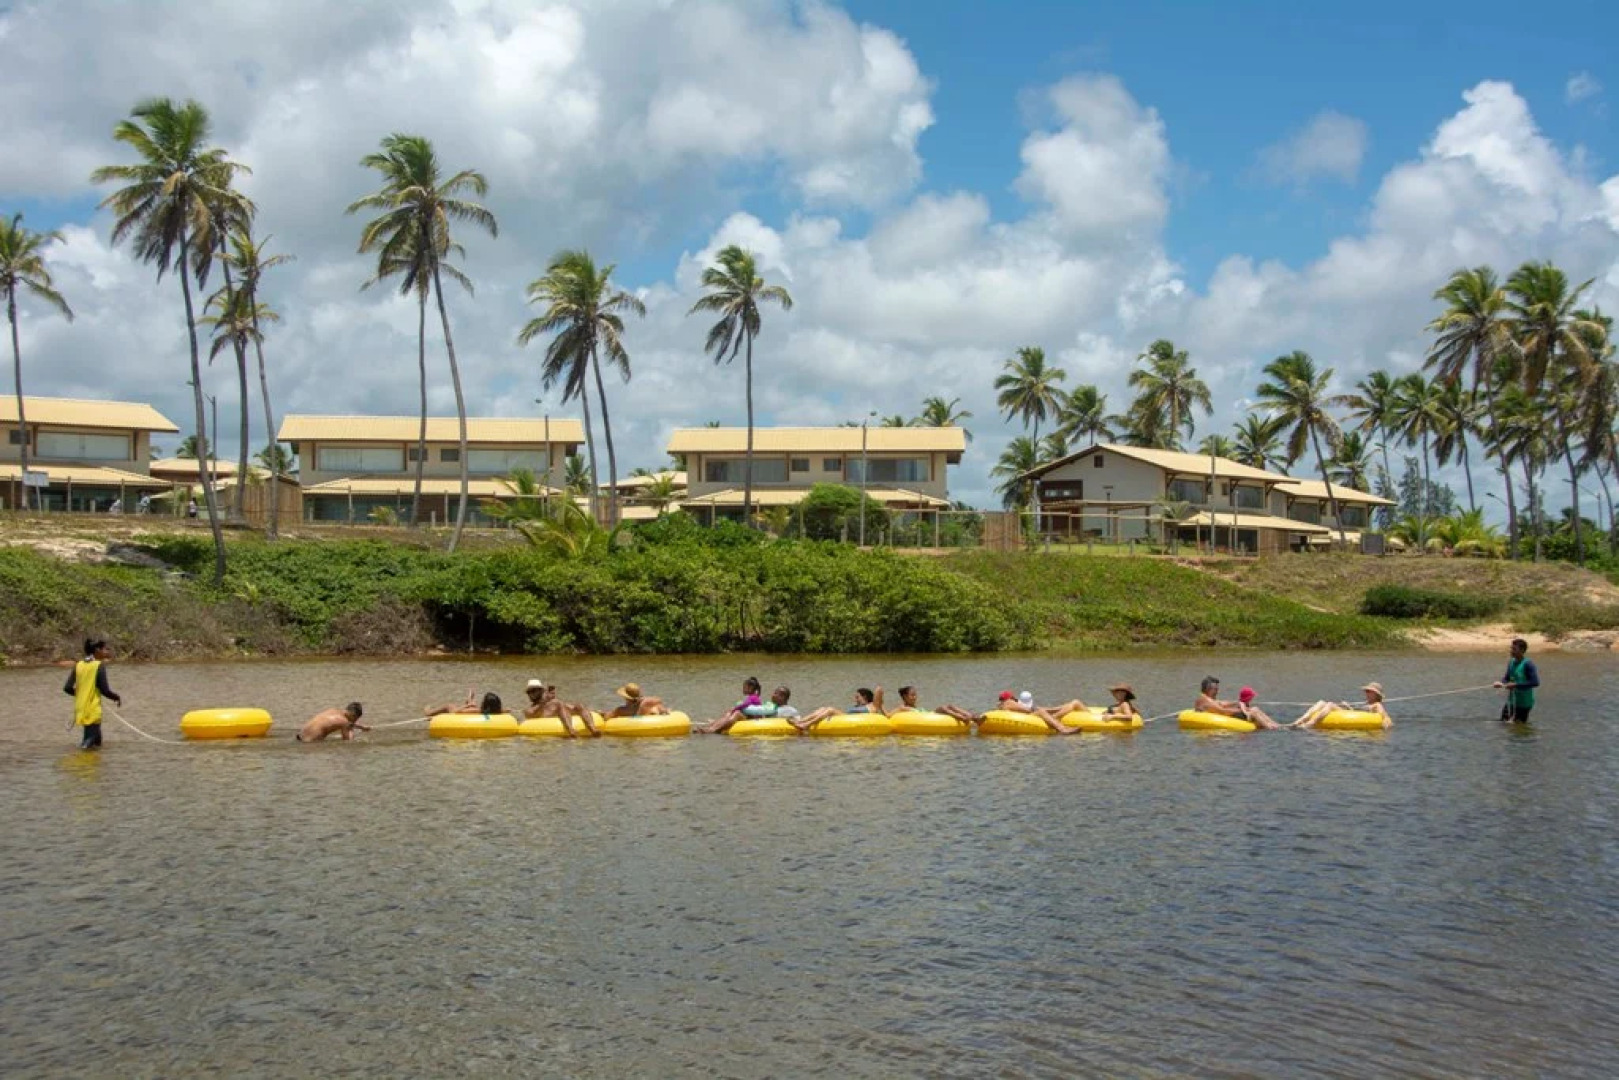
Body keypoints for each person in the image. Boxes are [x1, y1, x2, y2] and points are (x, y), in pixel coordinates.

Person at [62, 638, 121, 750]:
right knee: (89, 740)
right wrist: (116, 697)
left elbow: (67, 688)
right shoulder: (98, 665)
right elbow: (105, 690)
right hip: (92, 708)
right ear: (97, 650)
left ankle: (94, 762)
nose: (107, 652)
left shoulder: (78, 664)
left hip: (81, 707)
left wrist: (81, 695)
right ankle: (80, 758)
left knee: (97, 741)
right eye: (105, 649)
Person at [1292, 683, 1391, 730]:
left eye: (1369, 691)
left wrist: (1384, 722)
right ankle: (1299, 721)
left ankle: (1311, 724)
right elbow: (1356, 711)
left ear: (1376, 694)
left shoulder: (1377, 705)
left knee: (1330, 704)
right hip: (1353, 714)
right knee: (1321, 702)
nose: (1366, 693)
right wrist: (1347, 707)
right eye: (1366, 691)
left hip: (1359, 718)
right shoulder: (1367, 703)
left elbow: (1382, 715)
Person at [1194, 675, 1280, 730]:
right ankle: (1272, 728)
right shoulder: (1204, 700)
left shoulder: (1209, 699)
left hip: (1227, 715)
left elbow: (1222, 703)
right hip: (1226, 717)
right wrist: (1242, 711)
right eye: (1215, 689)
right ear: (1208, 689)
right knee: (1253, 711)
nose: (1217, 691)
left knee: (1255, 709)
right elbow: (1222, 711)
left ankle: (1277, 725)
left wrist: (1237, 703)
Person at [522, 678, 599, 737]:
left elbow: (569, 707)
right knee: (557, 703)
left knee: (579, 705)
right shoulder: (531, 708)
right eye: (529, 692)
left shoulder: (552, 702)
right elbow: (529, 714)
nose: (531, 694)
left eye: (533, 691)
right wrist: (543, 702)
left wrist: (550, 699)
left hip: (559, 712)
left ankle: (593, 729)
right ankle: (570, 730)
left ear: (541, 691)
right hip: (546, 722)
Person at [791, 686, 880, 732]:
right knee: (822, 708)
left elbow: (878, 699)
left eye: (857, 697)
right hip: (847, 718)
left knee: (830, 709)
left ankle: (806, 725)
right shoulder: (858, 706)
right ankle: (800, 721)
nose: (855, 699)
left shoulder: (871, 705)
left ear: (864, 696)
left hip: (851, 719)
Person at [1494, 638, 1539, 723]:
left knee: (1519, 727)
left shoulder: (1528, 664)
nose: (1511, 651)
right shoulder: (1511, 662)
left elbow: (1535, 682)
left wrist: (1515, 685)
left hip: (1524, 703)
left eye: (1514, 649)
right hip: (1511, 701)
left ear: (1522, 650)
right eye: (1511, 648)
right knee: (1503, 723)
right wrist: (1501, 683)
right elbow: (1507, 678)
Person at [297, 703, 369, 742]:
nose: (355, 721)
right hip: (310, 743)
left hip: (300, 737)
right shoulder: (344, 722)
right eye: (355, 719)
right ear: (353, 715)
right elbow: (348, 742)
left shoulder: (332, 710)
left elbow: (344, 722)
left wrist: (361, 727)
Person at [603, 682, 670, 719]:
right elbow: (659, 701)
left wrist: (603, 714)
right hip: (653, 717)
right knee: (656, 709)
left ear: (626, 697)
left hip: (638, 718)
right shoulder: (648, 702)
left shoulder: (621, 710)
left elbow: (607, 717)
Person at [424, 690, 505, 717]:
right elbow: (506, 710)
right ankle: (470, 698)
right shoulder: (497, 711)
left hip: (455, 712)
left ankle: (428, 712)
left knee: (449, 705)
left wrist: (466, 705)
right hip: (473, 711)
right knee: (472, 704)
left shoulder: (479, 711)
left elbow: (456, 712)